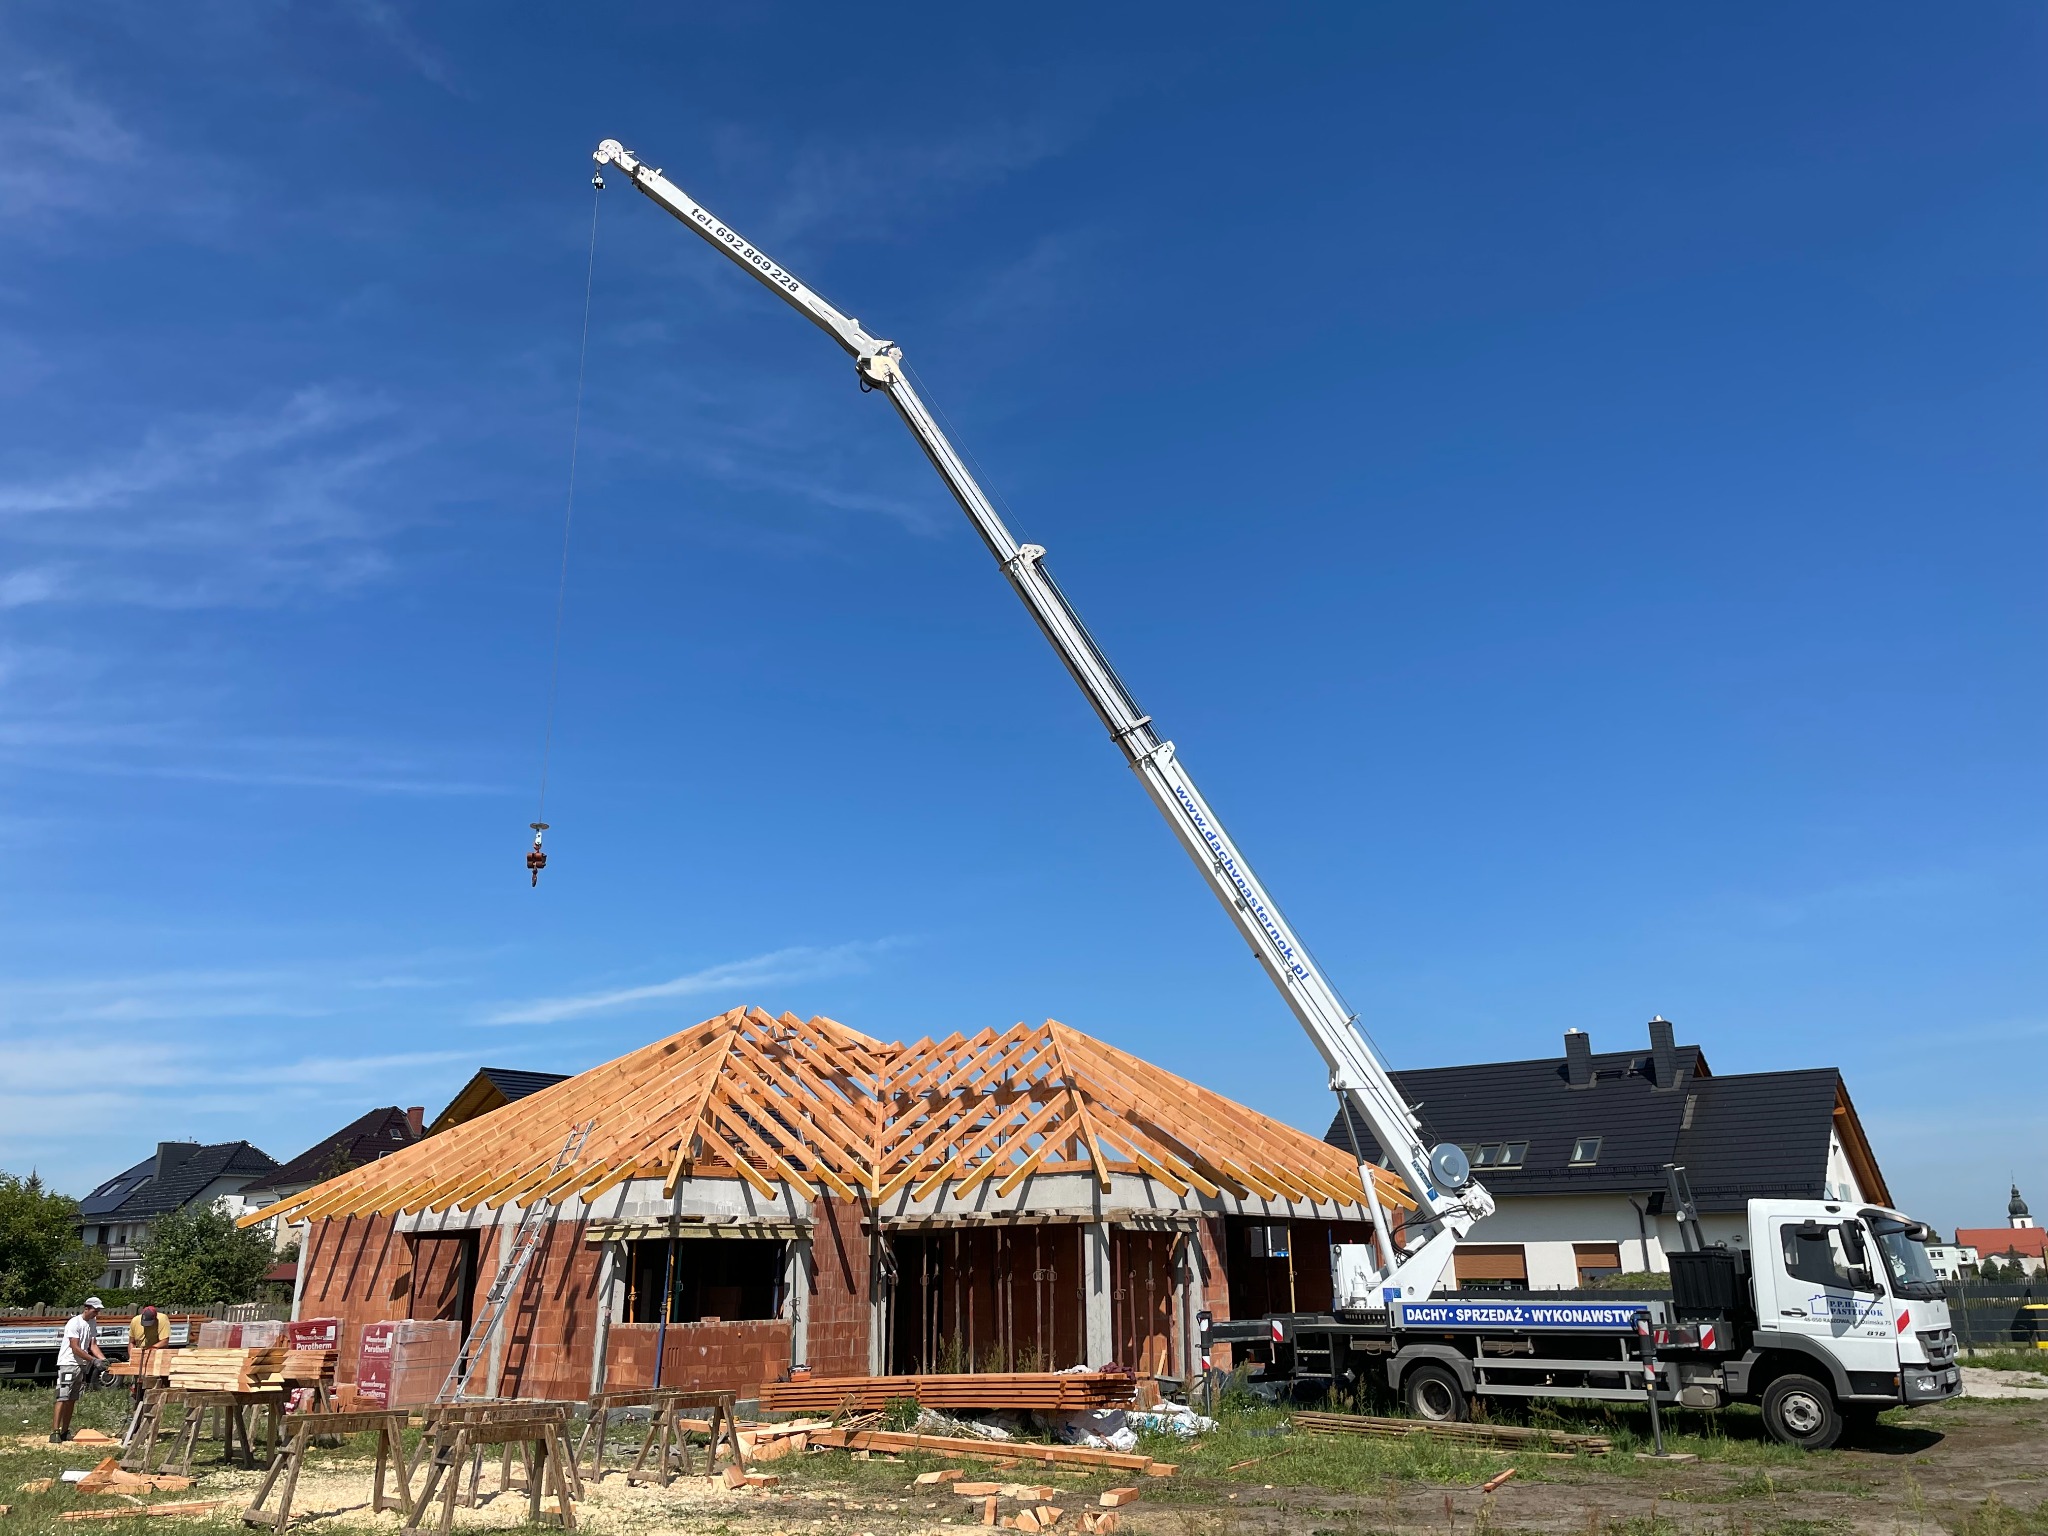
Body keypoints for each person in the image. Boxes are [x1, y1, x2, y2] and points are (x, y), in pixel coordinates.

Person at [52, 1296, 106, 1442]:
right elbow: (75, 1347)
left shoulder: (92, 1322)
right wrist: (93, 1360)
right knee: (62, 1396)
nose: (96, 1314)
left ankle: (65, 1431)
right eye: (95, 1311)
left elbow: (92, 1345)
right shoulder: (74, 1323)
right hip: (68, 1363)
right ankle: (55, 1431)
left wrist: (103, 1360)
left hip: (80, 1365)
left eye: (98, 1311)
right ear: (87, 1308)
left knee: (72, 1399)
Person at [127, 1305, 169, 1403]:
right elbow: (131, 1342)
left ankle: (152, 1400)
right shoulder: (135, 1321)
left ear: (155, 1318)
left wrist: (151, 1349)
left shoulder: (162, 1319)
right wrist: (132, 1357)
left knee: (153, 1383)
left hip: (156, 1353)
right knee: (138, 1383)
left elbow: (164, 1341)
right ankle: (137, 1398)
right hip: (140, 1353)